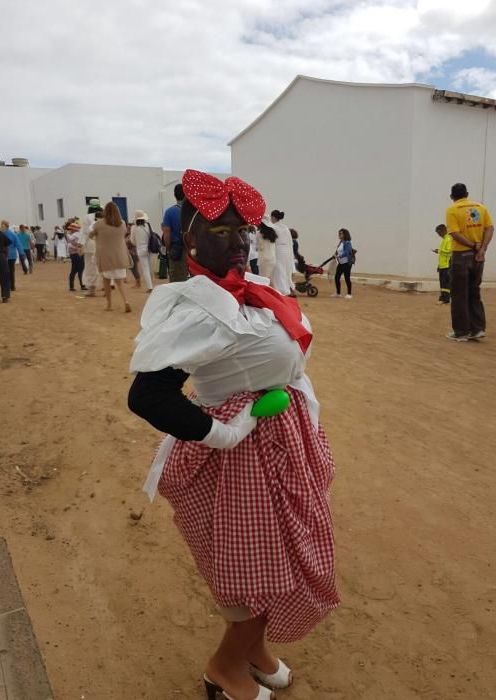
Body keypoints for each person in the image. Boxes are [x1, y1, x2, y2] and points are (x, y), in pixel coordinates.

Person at [128, 169, 338, 700]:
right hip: (239, 457)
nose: (239, 241)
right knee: (260, 565)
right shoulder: (196, 305)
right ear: (188, 238)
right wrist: (223, 434)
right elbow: (148, 395)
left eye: (242, 230)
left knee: (287, 552)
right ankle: (224, 668)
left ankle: (251, 652)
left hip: (282, 440)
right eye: (221, 231)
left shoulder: (255, 292)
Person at [445, 183, 494, 342]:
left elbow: (454, 233)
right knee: (474, 292)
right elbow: (490, 228)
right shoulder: (481, 207)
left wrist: (472, 245)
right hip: (478, 257)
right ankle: (477, 329)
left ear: (452, 197)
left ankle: (461, 331)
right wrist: (482, 249)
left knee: (459, 294)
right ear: (467, 194)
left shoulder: (452, 210)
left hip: (461, 256)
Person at [89, 201, 131, 312]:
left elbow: (90, 235)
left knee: (106, 281)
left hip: (105, 257)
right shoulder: (122, 223)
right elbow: (124, 234)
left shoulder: (99, 224)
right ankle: (126, 301)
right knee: (120, 282)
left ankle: (109, 305)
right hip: (120, 257)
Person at [162, 183, 188, 281]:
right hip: (190, 250)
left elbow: (166, 234)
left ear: (175, 195)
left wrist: (168, 248)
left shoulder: (169, 212)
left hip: (176, 249)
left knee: (176, 280)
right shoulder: (192, 211)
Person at [269, 210, 295, 296]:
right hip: (286, 250)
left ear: (273, 217)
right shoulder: (285, 227)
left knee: (278, 270)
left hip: (278, 250)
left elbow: (272, 240)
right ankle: (286, 287)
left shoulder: (273, 227)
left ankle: (281, 289)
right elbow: (290, 241)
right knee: (284, 269)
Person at [81, 203, 104, 297]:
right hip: (102, 244)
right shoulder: (103, 216)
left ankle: (91, 289)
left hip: (90, 244)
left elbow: (84, 232)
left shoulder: (86, 217)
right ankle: (107, 287)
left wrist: (80, 245)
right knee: (103, 267)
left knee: (90, 267)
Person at [130, 210, 153, 292]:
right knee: (150, 267)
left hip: (140, 249)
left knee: (145, 268)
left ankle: (150, 287)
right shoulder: (147, 225)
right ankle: (151, 283)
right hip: (149, 248)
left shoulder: (134, 228)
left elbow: (132, 241)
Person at [1, 220, 26, 292]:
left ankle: (8, 285)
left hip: (5, 255)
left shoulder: (1, 234)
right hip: (11, 255)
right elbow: (18, 244)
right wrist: (21, 253)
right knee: (11, 271)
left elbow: (18, 244)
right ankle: (12, 286)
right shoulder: (13, 234)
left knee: (5, 272)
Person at [432, 224, 452, 305]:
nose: (438, 235)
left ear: (442, 231)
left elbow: (449, 251)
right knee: (443, 283)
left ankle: (445, 299)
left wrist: (439, 251)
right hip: (443, 265)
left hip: (447, 265)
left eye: (438, 233)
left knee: (446, 283)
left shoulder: (449, 239)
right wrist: (439, 265)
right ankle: (443, 298)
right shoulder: (444, 239)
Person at [332, 228, 355, 299]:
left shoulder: (347, 243)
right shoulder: (340, 242)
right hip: (341, 263)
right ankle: (338, 293)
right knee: (337, 277)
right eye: (339, 233)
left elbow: (347, 252)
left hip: (347, 263)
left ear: (345, 234)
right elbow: (338, 251)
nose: (339, 234)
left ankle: (349, 294)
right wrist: (334, 254)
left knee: (347, 278)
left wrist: (339, 256)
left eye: (341, 233)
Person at [65, 219, 86, 292]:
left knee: (74, 270)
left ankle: (72, 286)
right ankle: (82, 285)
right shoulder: (76, 234)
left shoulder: (72, 235)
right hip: (78, 253)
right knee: (80, 269)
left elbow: (69, 243)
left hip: (75, 253)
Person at [125, 222, 141, 288]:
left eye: (129, 227)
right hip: (130, 254)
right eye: (127, 227)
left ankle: (138, 283)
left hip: (134, 253)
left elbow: (132, 243)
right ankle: (137, 282)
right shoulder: (127, 235)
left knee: (134, 269)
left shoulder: (133, 235)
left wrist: (127, 243)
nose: (128, 228)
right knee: (132, 268)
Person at [0, 226, 11, 303]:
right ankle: (5, 296)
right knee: (4, 277)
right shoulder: (1, 234)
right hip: (1, 256)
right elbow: (8, 243)